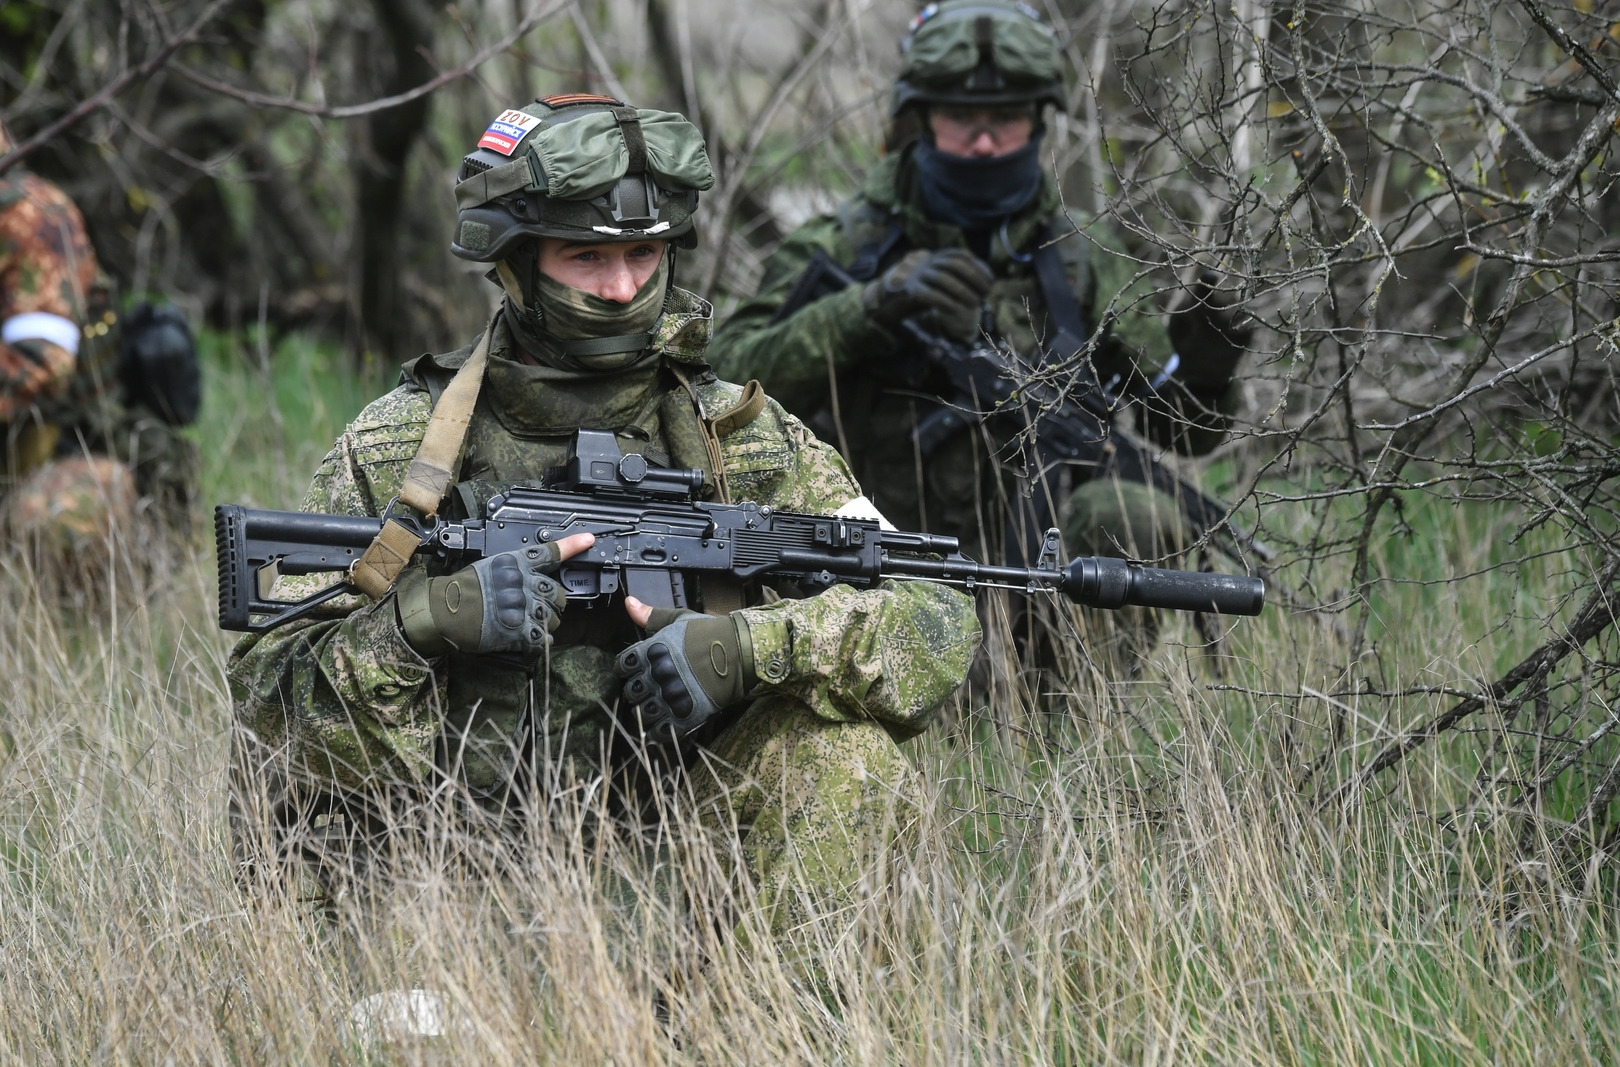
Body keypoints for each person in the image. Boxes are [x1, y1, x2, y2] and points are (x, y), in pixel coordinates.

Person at [226, 96, 980, 952]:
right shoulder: (402, 447)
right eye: (586, 256)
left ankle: (779, 1036)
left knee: (846, 759)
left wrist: (753, 651)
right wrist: (424, 623)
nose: (623, 288)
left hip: (673, 872)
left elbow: (938, 616)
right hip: (439, 872)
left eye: (644, 255)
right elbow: (263, 706)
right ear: (513, 263)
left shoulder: (742, 438)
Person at [707, 0, 1251, 579]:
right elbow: (722, 388)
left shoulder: (1076, 261)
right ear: (922, 118)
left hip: (1036, 568)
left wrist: (1206, 377)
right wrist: (864, 309)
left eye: (1008, 116)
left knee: (1134, 514)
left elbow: (1180, 434)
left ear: (1040, 121)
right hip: (866, 553)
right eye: (964, 118)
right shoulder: (844, 246)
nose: (986, 143)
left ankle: (1059, 671)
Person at [0, 122, 200, 554]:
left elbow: (40, 366)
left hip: (66, 454)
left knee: (57, 517)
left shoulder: (31, 219)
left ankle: (82, 615)